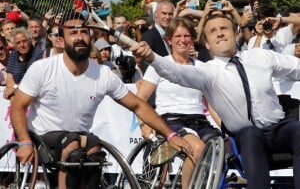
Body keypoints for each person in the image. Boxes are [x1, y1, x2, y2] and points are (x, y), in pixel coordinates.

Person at [10, 11, 193, 189]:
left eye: (83, 31)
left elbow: (138, 105)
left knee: (95, 151)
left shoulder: (103, 74)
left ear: (91, 37)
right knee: (73, 145)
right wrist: (25, 141)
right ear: (60, 40)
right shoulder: (42, 69)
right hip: (42, 137)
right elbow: (17, 106)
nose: (79, 37)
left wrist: (170, 135)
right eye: (73, 33)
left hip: (80, 138)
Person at [132, 14, 300, 189]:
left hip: (278, 127)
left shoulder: (261, 56)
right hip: (242, 135)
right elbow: (176, 72)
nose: (220, 33)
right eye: (213, 31)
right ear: (207, 44)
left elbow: (296, 68)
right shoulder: (208, 71)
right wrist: (151, 57)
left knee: (297, 129)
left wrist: (284, 21)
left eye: (224, 28)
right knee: (250, 134)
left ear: (235, 34)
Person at [136, 17, 219, 189]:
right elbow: (140, 99)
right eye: (178, 36)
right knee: (197, 148)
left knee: (222, 150)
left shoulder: (203, 67)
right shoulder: (159, 65)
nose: (183, 40)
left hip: (200, 122)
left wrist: (227, 129)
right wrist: (143, 125)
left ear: (192, 39)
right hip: (171, 121)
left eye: (187, 36)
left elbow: (212, 105)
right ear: (169, 40)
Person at [4, 27, 44, 100]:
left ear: (30, 40)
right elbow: (9, 76)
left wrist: (14, 88)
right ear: (14, 45)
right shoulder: (13, 54)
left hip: (34, 96)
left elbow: (34, 80)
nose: (22, 45)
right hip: (16, 94)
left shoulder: (38, 54)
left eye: (24, 41)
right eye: (18, 43)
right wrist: (10, 89)